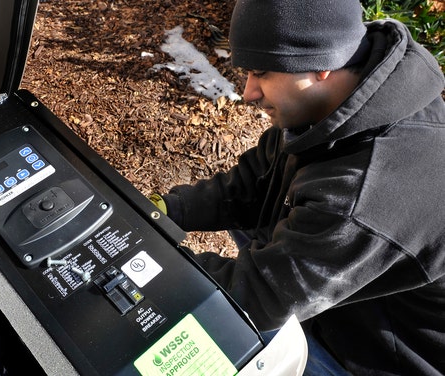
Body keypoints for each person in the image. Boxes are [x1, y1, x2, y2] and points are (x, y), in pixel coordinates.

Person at [149, 0, 445, 374]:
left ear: (323, 65)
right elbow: (250, 184)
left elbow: (254, 296)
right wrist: (156, 210)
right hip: (331, 277)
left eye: (261, 73)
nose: (248, 93)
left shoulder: (365, 195)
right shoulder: (341, 102)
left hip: (373, 355)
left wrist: (142, 260)